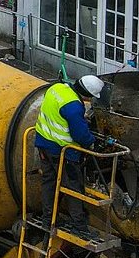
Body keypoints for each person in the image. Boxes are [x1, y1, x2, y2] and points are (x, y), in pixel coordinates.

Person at [34, 74, 105, 231]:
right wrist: (93, 141)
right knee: (74, 187)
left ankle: (48, 219)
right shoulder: (73, 107)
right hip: (63, 152)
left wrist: (79, 119)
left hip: (43, 144)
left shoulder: (56, 88)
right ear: (86, 94)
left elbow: (57, 114)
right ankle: (79, 225)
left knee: (49, 183)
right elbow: (81, 136)